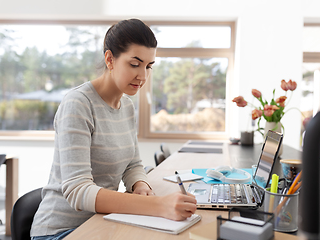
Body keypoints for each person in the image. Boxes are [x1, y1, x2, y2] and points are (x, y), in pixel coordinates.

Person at [30, 19, 197, 240]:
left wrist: (140, 185)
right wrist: (157, 205)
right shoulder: (78, 104)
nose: (143, 76)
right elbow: (77, 191)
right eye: (135, 64)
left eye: (148, 66)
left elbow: (132, 164)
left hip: (102, 221)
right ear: (110, 59)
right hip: (60, 232)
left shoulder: (126, 106)